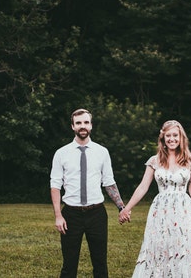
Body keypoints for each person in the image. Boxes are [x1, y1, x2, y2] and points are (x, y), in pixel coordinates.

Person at [119, 120, 191, 277]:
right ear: (162, 138)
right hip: (161, 210)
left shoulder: (190, 160)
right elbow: (143, 186)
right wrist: (126, 209)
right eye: (168, 136)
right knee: (161, 246)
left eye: (175, 135)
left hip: (184, 210)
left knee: (185, 246)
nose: (172, 139)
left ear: (181, 137)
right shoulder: (154, 160)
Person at [50, 108, 126, 278]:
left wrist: (121, 207)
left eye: (85, 122)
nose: (82, 126)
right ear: (72, 126)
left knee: (100, 264)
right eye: (78, 123)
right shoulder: (61, 153)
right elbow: (55, 185)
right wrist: (58, 215)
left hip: (97, 214)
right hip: (71, 214)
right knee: (69, 266)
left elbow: (109, 182)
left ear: (91, 125)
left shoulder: (102, 152)